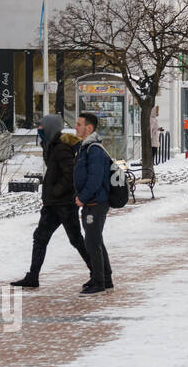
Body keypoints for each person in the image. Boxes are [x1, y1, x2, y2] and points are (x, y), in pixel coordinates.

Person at [10, 114, 90, 288]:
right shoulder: (50, 145)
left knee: (75, 239)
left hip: (64, 204)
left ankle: (99, 272)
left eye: (42, 127)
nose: (39, 130)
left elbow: (70, 174)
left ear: (50, 128)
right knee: (40, 237)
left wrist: (56, 190)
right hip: (53, 204)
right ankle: (33, 277)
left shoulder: (61, 148)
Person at [72, 111, 113, 295]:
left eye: (79, 124)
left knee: (92, 242)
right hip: (92, 202)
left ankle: (99, 281)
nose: (76, 127)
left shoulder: (93, 150)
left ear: (89, 128)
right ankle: (105, 278)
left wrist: (83, 197)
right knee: (96, 240)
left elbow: (94, 179)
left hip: (95, 202)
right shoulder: (85, 147)